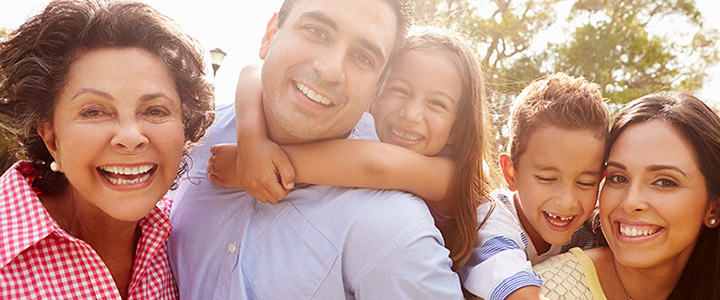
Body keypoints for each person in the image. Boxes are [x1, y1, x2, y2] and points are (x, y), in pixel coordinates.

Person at [166, 0, 463, 298]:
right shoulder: (189, 139)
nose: (330, 69)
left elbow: (379, 165)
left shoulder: (390, 225)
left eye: (363, 57)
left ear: (377, 87)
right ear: (270, 36)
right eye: (316, 31)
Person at [207, 25, 496, 271]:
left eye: (437, 103)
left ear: (458, 128)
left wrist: (263, 164)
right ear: (374, 90)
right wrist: (252, 142)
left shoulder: (452, 175)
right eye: (400, 90)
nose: (411, 114)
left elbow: (377, 165)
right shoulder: (357, 130)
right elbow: (254, 71)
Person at [0, 0, 215, 299]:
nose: (130, 137)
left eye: (154, 110)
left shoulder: (187, 233)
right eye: (94, 111)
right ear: (51, 138)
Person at [532, 91, 720, 299]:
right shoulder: (543, 291)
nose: (631, 202)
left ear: (716, 206)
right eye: (619, 178)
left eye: (665, 182)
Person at [459, 73, 610, 300]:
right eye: (547, 179)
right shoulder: (490, 217)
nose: (567, 201)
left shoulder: (585, 231)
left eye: (585, 183)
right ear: (511, 173)